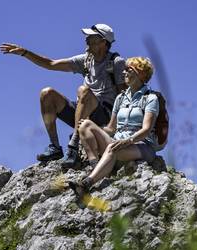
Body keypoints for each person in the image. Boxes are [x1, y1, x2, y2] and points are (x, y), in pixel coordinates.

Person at [0, 24, 126, 167]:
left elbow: (124, 96)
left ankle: (74, 146)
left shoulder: (116, 63)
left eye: (91, 37)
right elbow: (52, 64)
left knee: (83, 90)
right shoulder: (86, 60)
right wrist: (25, 53)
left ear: (103, 42)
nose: (86, 40)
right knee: (47, 94)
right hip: (82, 112)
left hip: (104, 115)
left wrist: (116, 128)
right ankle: (55, 147)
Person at [67, 56, 160, 207]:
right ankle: (96, 166)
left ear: (141, 74)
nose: (123, 73)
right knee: (85, 125)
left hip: (141, 146)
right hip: (117, 143)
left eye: (128, 70)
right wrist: (94, 130)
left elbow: (146, 129)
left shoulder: (150, 98)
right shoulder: (120, 98)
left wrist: (128, 141)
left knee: (112, 148)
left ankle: (86, 184)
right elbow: (111, 128)